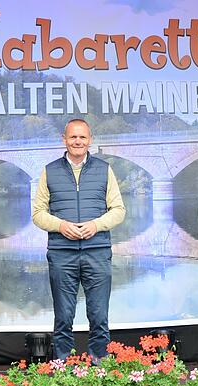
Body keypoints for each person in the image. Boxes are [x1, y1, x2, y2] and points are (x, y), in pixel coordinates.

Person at [31, 118, 126, 362]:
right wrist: (61, 226)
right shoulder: (49, 171)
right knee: (63, 316)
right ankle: (64, 367)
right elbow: (38, 214)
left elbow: (118, 210)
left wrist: (96, 225)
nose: (78, 141)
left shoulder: (104, 169)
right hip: (62, 253)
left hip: (97, 252)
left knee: (99, 316)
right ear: (64, 140)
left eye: (82, 137)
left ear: (90, 140)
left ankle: (99, 365)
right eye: (73, 137)